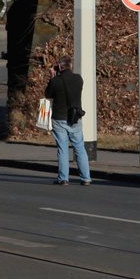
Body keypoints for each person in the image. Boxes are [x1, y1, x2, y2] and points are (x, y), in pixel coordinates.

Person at [44, 56, 92, 186]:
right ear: (71, 66)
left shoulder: (56, 81)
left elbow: (48, 95)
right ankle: (86, 178)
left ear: (60, 67)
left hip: (59, 118)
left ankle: (63, 178)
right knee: (79, 147)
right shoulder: (78, 79)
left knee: (63, 148)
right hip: (74, 118)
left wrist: (52, 77)